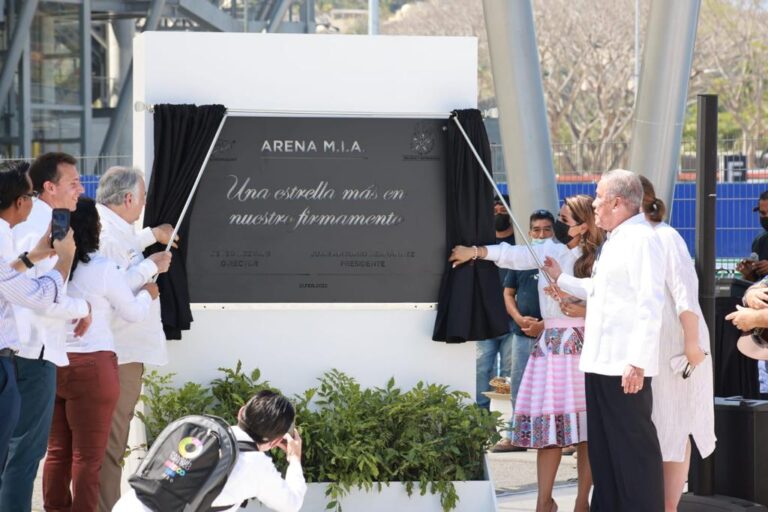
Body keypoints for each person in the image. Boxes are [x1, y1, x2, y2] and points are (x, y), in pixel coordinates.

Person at [450, 194, 602, 512]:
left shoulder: (602, 256)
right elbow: (514, 255)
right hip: (553, 345)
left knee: (590, 431)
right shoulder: (551, 250)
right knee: (550, 430)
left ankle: (581, 503)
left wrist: (579, 307)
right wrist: (476, 252)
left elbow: (612, 302)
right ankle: (543, 501)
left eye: (564, 220)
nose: (558, 226)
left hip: (588, 345)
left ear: (583, 226)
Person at [544, 169, 666, 511]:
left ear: (616, 201)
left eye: (598, 197)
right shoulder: (616, 239)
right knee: (605, 450)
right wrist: (562, 279)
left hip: (624, 365)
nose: (594, 204)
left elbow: (650, 301)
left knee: (633, 452)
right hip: (599, 362)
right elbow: (600, 291)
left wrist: (638, 361)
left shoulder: (642, 239)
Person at [43, 197, 157, 512]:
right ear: (94, 227)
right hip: (94, 367)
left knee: (57, 453)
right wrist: (149, 293)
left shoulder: (49, 266)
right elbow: (132, 311)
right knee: (88, 459)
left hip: (54, 364)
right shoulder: (102, 268)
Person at [1, 153, 92, 512]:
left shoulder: (41, 224)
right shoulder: (30, 225)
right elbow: (39, 298)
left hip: (28, 350)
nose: (81, 190)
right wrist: (83, 308)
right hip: (29, 350)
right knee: (23, 456)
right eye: (74, 182)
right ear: (49, 188)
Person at [94, 166, 176, 512]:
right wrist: (152, 268)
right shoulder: (107, 235)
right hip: (117, 353)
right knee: (109, 445)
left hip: (119, 352)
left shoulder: (113, 230)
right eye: (141, 198)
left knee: (109, 444)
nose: (142, 205)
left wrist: (150, 236)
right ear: (128, 198)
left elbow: (122, 255)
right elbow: (117, 289)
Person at [639, 176, 715, 512]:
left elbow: (685, 294)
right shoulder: (625, 241)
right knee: (655, 426)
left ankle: (668, 507)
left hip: (676, 347)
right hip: (646, 350)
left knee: (675, 425)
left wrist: (692, 343)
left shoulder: (665, 237)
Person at [114, 390, 307, 512]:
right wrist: (294, 459)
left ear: (240, 412)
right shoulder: (258, 466)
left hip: (127, 505)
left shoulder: (203, 433)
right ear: (274, 442)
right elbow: (291, 504)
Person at [491, 209, 553, 453]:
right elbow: (508, 293)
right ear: (529, 232)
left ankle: (554, 436)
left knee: (552, 387)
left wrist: (542, 325)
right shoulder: (522, 259)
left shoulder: (560, 259)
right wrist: (518, 318)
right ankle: (517, 435)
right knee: (519, 385)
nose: (541, 234)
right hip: (521, 333)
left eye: (546, 229)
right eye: (536, 230)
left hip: (552, 335)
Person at [475, 195, 517, 409]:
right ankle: (481, 420)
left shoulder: (519, 243)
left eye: (503, 210)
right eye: (495, 209)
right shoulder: (481, 244)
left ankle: (504, 421)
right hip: (486, 319)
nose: (499, 212)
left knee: (509, 373)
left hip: (513, 319)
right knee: (481, 369)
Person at [737, 190, 768, 282]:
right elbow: (754, 282)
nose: (766, 216)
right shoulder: (760, 241)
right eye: (763, 213)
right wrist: (748, 273)